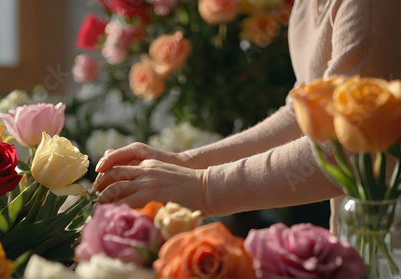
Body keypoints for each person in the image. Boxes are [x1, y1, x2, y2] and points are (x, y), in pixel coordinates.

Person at [93, 0, 401, 231]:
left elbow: (350, 150)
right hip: (364, 237)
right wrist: (187, 164)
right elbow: (303, 115)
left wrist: (203, 188)